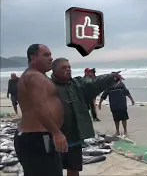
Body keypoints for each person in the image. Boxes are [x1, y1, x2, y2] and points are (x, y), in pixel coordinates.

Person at [51, 58, 121, 176]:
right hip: (55, 138)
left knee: (74, 168)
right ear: (54, 70)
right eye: (64, 67)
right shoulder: (48, 86)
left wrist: (110, 77)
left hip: (74, 137)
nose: (68, 69)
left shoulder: (77, 84)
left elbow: (93, 83)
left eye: (69, 67)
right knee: (53, 171)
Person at [14, 44, 66, 176]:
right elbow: (39, 106)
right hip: (38, 138)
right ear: (33, 57)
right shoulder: (34, 77)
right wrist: (56, 132)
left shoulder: (33, 76)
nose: (51, 58)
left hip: (35, 137)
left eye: (50, 55)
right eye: (46, 55)